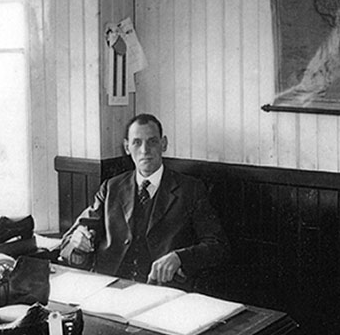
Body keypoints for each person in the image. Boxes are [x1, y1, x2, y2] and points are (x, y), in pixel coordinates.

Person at [59, 114, 229, 287]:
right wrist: (77, 240)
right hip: (111, 288)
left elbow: (218, 246)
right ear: (127, 147)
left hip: (163, 290)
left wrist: (180, 257)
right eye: (137, 142)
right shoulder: (111, 187)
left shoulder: (190, 189)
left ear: (164, 144)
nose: (145, 150)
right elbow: (67, 241)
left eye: (152, 141)